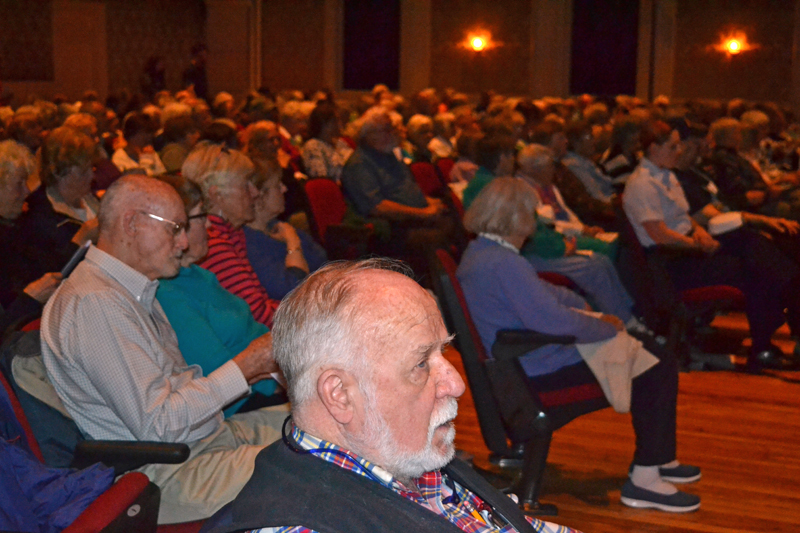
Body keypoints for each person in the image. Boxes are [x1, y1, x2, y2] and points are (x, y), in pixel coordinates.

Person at [206, 258, 582, 533]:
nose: (455, 383)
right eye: (421, 363)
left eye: (443, 353)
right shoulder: (308, 523)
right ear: (340, 395)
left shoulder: (402, 457)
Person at [40, 175, 287, 524]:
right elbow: (159, 426)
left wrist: (255, 368)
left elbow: (179, 387)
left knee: (331, 424)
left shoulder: (129, 289)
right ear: (131, 224)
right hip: (165, 473)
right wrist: (246, 367)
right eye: (174, 228)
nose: (184, 242)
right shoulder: (95, 303)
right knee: (319, 459)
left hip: (201, 442)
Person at [457, 178, 701, 513]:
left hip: (521, 364)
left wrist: (581, 307)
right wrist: (603, 324)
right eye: (531, 212)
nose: (536, 220)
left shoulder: (482, 252)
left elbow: (543, 297)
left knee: (651, 355)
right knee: (655, 365)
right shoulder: (504, 263)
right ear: (517, 218)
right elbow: (553, 322)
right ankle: (645, 479)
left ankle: (660, 458)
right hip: (535, 371)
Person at [623, 121, 800, 372]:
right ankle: (765, 341)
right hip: (670, 261)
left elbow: (685, 219)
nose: (679, 151)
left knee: (753, 244)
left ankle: (770, 331)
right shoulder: (642, 183)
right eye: (673, 147)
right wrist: (695, 243)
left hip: (687, 246)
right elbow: (659, 234)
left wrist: (699, 232)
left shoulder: (667, 175)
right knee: (753, 267)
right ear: (654, 148)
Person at [155, 174, 284, 417]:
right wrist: (290, 384)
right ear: (174, 228)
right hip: (251, 403)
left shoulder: (197, 274)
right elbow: (217, 376)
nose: (210, 226)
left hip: (276, 375)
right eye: (201, 216)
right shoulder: (167, 293)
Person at [182, 142, 280, 327]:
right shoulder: (212, 243)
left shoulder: (229, 233)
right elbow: (260, 317)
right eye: (245, 185)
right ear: (217, 195)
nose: (255, 192)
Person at [0, 140, 62, 336]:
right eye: (19, 184)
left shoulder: (18, 227)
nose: (26, 192)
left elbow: (52, 265)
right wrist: (30, 299)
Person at [243, 160, 326, 300]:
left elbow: (321, 259)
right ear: (258, 196)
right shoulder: (249, 243)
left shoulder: (278, 227)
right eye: (277, 186)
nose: (284, 189)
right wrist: (293, 243)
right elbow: (289, 290)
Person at [301, 101, 352, 182]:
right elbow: (321, 179)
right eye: (336, 121)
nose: (340, 124)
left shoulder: (340, 143)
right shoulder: (313, 146)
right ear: (325, 124)